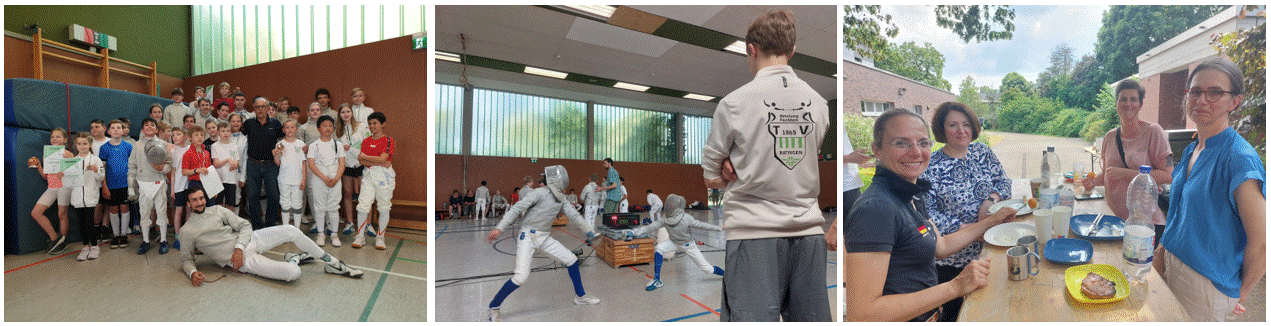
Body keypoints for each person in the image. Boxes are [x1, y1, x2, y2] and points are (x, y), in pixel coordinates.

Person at [700, 10, 831, 321]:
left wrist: (728, 167)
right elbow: (801, 161)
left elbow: (711, 180)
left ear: (751, 49)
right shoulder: (820, 105)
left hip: (753, 234)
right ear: (792, 51)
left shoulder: (733, 103)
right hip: (809, 236)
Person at [844, 108, 1007, 322]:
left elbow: (941, 247)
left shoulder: (910, 194)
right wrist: (955, 286)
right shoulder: (876, 209)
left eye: (923, 143)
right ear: (877, 150)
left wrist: (993, 220)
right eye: (901, 143)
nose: (915, 152)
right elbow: (863, 314)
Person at [1154, 57, 1265, 322]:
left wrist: (1240, 293)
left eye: (1215, 92)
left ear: (1234, 101)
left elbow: (1261, 244)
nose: (1202, 100)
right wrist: (1161, 254)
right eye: (1195, 91)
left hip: (1205, 286)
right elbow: (1180, 214)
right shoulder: (1194, 148)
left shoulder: (1239, 158)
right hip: (1170, 262)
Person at [918, 102, 1016, 321]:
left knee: (993, 309)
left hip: (992, 248)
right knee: (958, 316)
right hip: (952, 260)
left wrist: (990, 201)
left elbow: (1004, 181)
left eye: (965, 124)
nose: (961, 130)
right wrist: (968, 229)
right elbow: (926, 213)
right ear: (942, 130)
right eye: (953, 125)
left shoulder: (982, 152)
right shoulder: (931, 165)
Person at [178, 186, 363, 286]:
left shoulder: (217, 210)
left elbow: (244, 225)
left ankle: (333, 264)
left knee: (291, 230)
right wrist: (193, 273)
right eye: (194, 200)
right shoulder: (187, 231)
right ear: (188, 204)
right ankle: (295, 260)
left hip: (251, 241)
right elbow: (186, 259)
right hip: (243, 262)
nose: (200, 202)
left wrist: (238, 248)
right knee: (293, 274)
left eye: (201, 198)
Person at [485, 166, 601, 322]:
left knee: (572, 260)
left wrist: (589, 232)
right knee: (521, 277)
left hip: (544, 238)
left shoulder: (561, 198)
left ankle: (580, 296)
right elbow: (516, 208)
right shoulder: (539, 193)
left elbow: (575, 216)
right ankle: (494, 307)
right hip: (527, 236)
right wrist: (499, 228)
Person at [1083, 79, 1173, 246]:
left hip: (1145, 226)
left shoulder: (1154, 132)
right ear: (1116, 103)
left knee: (1138, 270)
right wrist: (1092, 181)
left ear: (1140, 104)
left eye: (1133, 99)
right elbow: (1110, 173)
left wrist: (1126, 174)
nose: (1128, 104)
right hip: (1113, 222)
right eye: (1123, 99)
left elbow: (1169, 176)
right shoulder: (1110, 137)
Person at [623, 194, 725, 291]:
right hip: (673, 242)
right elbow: (650, 227)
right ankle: (657, 279)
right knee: (659, 249)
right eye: (669, 205)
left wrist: (719, 228)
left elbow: (702, 225)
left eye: (672, 205)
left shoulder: (686, 218)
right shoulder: (665, 219)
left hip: (688, 245)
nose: (670, 206)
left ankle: (726, 275)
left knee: (708, 269)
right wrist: (634, 232)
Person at [130, 118, 174, 255]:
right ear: (143, 129)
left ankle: (163, 241)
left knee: (161, 211)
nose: (149, 127)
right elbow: (132, 166)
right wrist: (131, 187)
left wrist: (162, 168)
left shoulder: (163, 144)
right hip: (143, 183)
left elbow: (169, 164)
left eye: (152, 125)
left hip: (159, 182)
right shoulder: (136, 145)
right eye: (146, 125)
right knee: (144, 212)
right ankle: (145, 241)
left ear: (156, 129)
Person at [353, 112, 395, 249]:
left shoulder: (388, 140)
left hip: (384, 177)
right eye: (370, 124)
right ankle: (360, 237)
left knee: (383, 206)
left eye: (375, 123)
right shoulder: (366, 141)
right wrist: (376, 160)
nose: (372, 126)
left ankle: (380, 238)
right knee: (363, 205)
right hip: (368, 175)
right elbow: (360, 159)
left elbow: (384, 159)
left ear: (382, 124)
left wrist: (367, 157)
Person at [30, 128, 74, 255]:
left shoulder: (68, 154)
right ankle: (55, 239)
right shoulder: (47, 154)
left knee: (62, 214)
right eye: (53, 137)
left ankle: (63, 242)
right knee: (36, 212)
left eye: (58, 136)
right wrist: (39, 166)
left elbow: (73, 175)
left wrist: (66, 168)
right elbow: (46, 176)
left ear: (65, 140)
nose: (55, 139)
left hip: (64, 186)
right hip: (52, 186)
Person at [242, 97, 284, 229]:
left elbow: (283, 142)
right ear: (254, 109)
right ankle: (257, 225)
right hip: (253, 164)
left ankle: (270, 223)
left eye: (263, 106)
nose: (260, 109)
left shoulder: (276, 124)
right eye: (257, 107)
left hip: (271, 165)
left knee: (274, 195)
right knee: (253, 195)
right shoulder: (248, 123)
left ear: (268, 108)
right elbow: (241, 141)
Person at [307, 116, 346, 247]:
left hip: (335, 178)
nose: (327, 128)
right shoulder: (313, 145)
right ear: (318, 129)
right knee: (319, 207)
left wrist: (336, 178)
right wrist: (324, 178)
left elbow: (342, 164)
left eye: (330, 125)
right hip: (319, 179)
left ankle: (334, 234)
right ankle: (321, 234)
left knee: (334, 207)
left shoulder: (338, 145)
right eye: (324, 126)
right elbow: (311, 165)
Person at [68, 132, 105, 260]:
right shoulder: (72, 161)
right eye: (79, 143)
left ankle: (95, 246)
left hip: (90, 195)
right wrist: (63, 176)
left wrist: (96, 170)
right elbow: (68, 182)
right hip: (77, 196)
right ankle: (85, 247)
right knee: (81, 223)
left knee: (90, 222)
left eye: (85, 143)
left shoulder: (95, 159)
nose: (82, 146)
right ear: (75, 145)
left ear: (90, 144)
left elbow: (101, 176)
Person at [99, 119, 133, 248]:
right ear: (108, 131)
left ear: (123, 130)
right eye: (113, 128)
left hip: (125, 183)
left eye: (119, 127)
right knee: (113, 209)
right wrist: (105, 186)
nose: (116, 130)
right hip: (111, 185)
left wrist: (132, 184)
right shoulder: (104, 148)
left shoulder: (128, 146)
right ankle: (116, 235)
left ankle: (124, 235)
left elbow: (132, 165)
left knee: (124, 207)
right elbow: (102, 169)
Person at [336, 104, 369, 234]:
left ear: (351, 113)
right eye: (343, 112)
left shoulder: (361, 126)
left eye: (348, 111)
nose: (345, 114)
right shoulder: (337, 130)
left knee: (365, 194)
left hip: (361, 163)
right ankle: (350, 222)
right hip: (346, 165)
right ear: (340, 115)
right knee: (348, 192)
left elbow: (366, 143)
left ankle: (367, 223)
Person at [273, 120, 307, 229]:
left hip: (298, 179)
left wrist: (304, 179)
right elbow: (278, 162)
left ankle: (297, 228)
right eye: (287, 127)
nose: (290, 130)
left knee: (297, 203)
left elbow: (303, 163)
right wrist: (275, 155)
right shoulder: (280, 145)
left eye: (292, 127)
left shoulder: (301, 145)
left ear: (296, 129)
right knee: (285, 203)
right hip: (284, 178)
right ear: (283, 130)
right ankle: (286, 228)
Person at [169, 127, 191, 250]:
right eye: (173, 135)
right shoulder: (172, 151)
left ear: (186, 136)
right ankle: (177, 236)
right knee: (179, 211)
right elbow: (173, 171)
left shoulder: (189, 149)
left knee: (189, 210)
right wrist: (172, 188)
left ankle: (186, 235)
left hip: (189, 185)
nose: (175, 137)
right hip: (178, 186)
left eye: (178, 134)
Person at [211, 121, 242, 209]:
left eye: (228, 131)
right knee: (219, 205)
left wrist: (235, 165)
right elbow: (216, 164)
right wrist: (227, 160)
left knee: (230, 205)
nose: (226, 133)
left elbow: (237, 163)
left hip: (231, 180)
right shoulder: (215, 146)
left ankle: (229, 222)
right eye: (223, 131)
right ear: (218, 133)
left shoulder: (234, 146)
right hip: (219, 179)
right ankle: (220, 223)